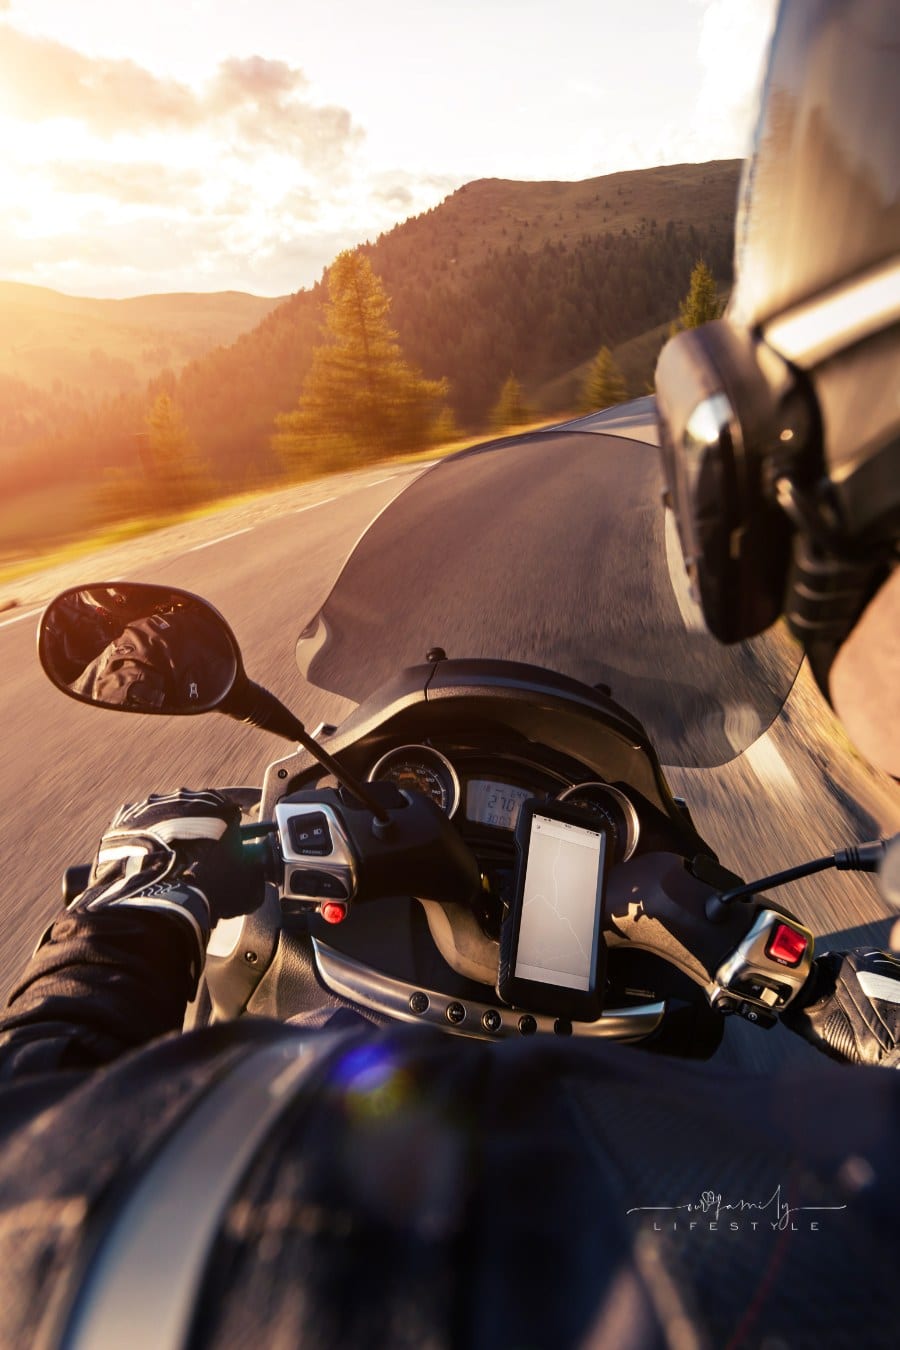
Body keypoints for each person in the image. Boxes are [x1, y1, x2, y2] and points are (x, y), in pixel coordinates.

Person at [1, 3, 898, 1348]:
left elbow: (38, 1129)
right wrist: (763, 955)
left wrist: (139, 909)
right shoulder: (819, 1213)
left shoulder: (90, 1228)